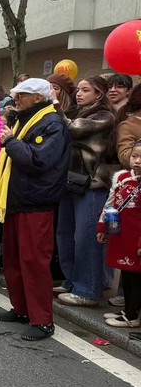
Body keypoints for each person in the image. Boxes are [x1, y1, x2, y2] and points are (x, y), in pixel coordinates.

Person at [0, 78, 71, 341]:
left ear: (38, 98)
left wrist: (11, 142)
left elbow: (39, 161)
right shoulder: (25, 118)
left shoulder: (52, 124)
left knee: (34, 262)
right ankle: (22, 309)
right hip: (17, 199)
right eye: (15, 94)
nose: (16, 99)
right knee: (13, 259)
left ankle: (42, 320)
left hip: (36, 201)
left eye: (22, 95)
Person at [56, 76, 118, 306]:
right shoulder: (77, 111)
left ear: (98, 94)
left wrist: (55, 108)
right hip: (70, 181)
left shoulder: (104, 116)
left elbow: (73, 130)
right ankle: (71, 281)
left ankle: (87, 290)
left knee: (87, 238)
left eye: (85, 90)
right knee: (64, 235)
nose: (78, 94)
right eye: (78, 90)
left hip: (92, 183)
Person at [97, 140, 141, 328]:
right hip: (121, 235)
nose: (137, 161)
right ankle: (127, 310)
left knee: (137, 276)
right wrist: (102, 228)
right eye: (134, 156)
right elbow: (110, 204)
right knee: (126, 274)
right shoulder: (122, 177)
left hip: (137, 238)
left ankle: (133, 315)